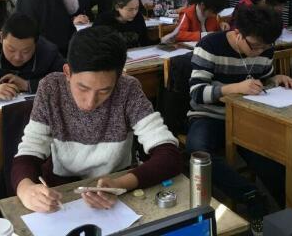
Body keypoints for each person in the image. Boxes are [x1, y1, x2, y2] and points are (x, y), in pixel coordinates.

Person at [11, 26, 181, 213]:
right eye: (83, 88)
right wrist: (26, 190)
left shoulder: (128, 90)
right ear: (67, 72)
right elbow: (28, 154)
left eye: (104, 90)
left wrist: (120, 185)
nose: (90, 102)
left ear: (118, 78)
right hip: (61, 194)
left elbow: (169, 155)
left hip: (117, 188)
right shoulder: (51, 89)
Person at [185, 6, 292, 230]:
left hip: (248, 117)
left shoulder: (264, 48)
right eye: (254, 46)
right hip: (210, 116)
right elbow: (197, 93)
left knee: (273, 160)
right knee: (197, 151)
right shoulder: (210, 46)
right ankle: (251, 195)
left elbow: (264, 79)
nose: (259, 52)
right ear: (238, 33)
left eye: (266, 47)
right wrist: (235, 88)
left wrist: (276, 79)